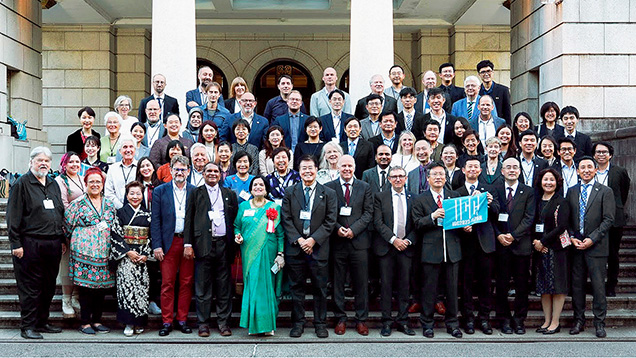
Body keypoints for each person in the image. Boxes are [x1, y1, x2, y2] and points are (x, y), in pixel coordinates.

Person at [8, 147, 65, 339]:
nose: (43, 163)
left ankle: (42, 322)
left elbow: (59, 212)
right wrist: (16, 244)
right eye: (39, 160)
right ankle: (28, 326)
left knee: (48, 286)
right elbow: (13, 216)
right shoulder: (21, 184)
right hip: (30, 243)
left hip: (53, 243)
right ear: (31, 162)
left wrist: (62, 239)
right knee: (30, 287)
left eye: (47, 161)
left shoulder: (53, 183)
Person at [282, 154, 337, 338]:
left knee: (319, 288)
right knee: (296, 288)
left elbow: (330, 220)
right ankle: (298, 323)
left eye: (310, 168)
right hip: (296, 248)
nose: (307, 171)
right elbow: (286, 218)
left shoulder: (328, 193)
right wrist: (299, 240)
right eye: (303, 168)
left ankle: (320, 323)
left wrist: (313, 240)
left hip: (318, 248)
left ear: (316, 170)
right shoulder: (290, 192)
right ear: (299, 171)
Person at [184, 162, 238, 337]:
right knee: (203, 287)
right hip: (203, 244)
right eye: (209, 171)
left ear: (221, 174)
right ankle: (203, 324)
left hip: (224, 245)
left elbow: (234, 219)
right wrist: (188, 244)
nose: (213, 174)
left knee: (224, 287)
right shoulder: (195, 193)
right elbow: (189, 219)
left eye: (216, 171)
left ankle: (223, 323)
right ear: (203, 174)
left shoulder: (229, 193)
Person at [412, 161, 463, 338]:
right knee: (429, 290)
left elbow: (460, 220)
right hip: (430, 251)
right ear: (428, 178)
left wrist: (466, 226)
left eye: (442, 174)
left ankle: (452, 324)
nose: (439, 177)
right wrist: (432, 217)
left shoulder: (454, 196)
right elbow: (417, 223)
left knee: (451, 290)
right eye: (435, 175)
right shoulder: (420, 199)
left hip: (452, 250)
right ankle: (427, 324)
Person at [566, 156, 615, 338]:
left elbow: (608, 219)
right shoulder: (571, 191)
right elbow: (567, 218)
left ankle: (599, 322)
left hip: (597, 247)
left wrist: (592, 239)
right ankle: (578, 320)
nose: (586, 170)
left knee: (598, 287)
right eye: (582, 168)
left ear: (595, 170)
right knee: (577, 286)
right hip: (576, 246)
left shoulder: (605, 191)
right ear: (577, 171)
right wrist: (572, 237)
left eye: (589, 167)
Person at [326, 155, 374, 336]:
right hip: (337, 242)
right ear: (337, 167)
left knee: (361, 283)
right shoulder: (330, 188)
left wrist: (354, 230)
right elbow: (328, 213)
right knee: (337, 283)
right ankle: (340, 318)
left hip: (359, 242)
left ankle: (361, 319)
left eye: (350, 165)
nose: (347, 169)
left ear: (355, 167)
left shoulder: (365, 187)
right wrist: (337, 229)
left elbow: (368, 212)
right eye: (343, 165)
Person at [65, 167, 117, 335]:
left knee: (101, 289)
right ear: (86, 184)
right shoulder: (77, 203)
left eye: (98, 182)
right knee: (86, 289)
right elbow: (66, 226)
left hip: (104, 253)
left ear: (103, 184)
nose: (95, 184)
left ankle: (97, 320)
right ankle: (85, 322)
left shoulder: (109, 204)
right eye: (91, 182)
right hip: (83, 253)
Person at [151, 155, 196, 336]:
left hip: (187, 243)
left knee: (186, 283)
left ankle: (182, 319)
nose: (179, 172)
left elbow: (196, 221)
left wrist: (190, 243)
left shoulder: (194, 191)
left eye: (183, 169)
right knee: (167, 283)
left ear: (188, 171)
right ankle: (167, 321)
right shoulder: (160, 191)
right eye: (176, 169)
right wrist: (157, 245)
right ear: (170, 170)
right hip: (168, 243)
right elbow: (155, 220)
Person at [234, 175, 284, 336]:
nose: (258, 187)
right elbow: (236, 226)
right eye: (255, 184)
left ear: (266, 188)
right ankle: (253, 325)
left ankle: (267, 325)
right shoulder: (243, 207)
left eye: (261, 184)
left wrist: (280, 253)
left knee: (266, 287)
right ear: (250, 189)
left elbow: (281, 233)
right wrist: (238, 235)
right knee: (253, 285)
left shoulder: (274, 207)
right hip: (249, 252)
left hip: (268, 251)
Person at [456, 156, 499, 335]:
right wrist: (461, 226)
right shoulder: (456, 192)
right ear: (463, 170)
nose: (473, 169)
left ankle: (484, 318)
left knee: (485, 284)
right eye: (469, 167)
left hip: (485, 243)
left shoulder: (489, 190)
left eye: (476, 167)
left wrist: (489, 203)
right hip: (465, 245)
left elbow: (498, 211)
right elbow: (452, 218)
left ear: (480, 171)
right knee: (465, 285)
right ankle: (468, 319)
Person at [493, 157, 536, 334]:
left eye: (515, 167)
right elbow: (489, 216)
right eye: (508, 167)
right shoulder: (494, 189)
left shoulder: (529, 191)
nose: (512, 170)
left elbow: (529, 218)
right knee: (501, 284)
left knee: (521, 285)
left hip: (521, 245)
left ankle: (519, 319)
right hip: (500, 245)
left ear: (519, 171)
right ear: (502, 171)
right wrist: (499, 235)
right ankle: (503, 318)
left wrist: (513, 235)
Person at [373, 165, 417, 337]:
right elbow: (378, 222)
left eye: (401, 176)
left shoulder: (414, 197)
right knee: (386, 286)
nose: (398, 179)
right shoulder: (380, 197)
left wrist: (407, 240)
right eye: (394, 176)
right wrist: (393, 240)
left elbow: (417, 223)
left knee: (404, 287)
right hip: (387, 247)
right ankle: (386, 322)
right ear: (389, 179)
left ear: (406, 179)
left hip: (406, 248)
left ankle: (403, 321)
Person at [110, 181, 152, 336]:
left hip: (142, 258)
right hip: (126, 258)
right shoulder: (120, 213)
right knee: (126, 290)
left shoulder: (148, 214)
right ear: (126, 195)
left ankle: (139, 322)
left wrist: (146, 254)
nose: (135, 197)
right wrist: (128, 252)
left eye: (138, 193)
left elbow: (152, 236)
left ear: (142, 195)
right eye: (131, 193)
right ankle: (128, 323)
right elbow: (115, 234)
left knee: (141, 290)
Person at [532, 168, 569, 335]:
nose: (548, 182)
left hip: (556, 250)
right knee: (544, 287)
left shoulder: (561, 201)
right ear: (540, 182)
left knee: (557, 287)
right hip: (540, 250)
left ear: (557, 182)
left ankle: (555, 322)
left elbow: (561, 227)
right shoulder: (536, 200)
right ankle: (546, 321)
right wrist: (535, 242)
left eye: (552, 180)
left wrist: (543, 241)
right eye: (545, 179)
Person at [593, 142, 631, 297]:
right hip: (593, 219)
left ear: (610, 155)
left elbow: (623, 192)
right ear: (594, 155)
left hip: (614, 219)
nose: (601, 154)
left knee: (613, 253)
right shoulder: (590, 171)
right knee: (594, 253)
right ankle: (596, 283)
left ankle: (611, 285)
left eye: (604, 152)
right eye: (598, 152)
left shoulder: (619, 171)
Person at [55, 152, 84, 319]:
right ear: (64, 164)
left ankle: (75, 297)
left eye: (77, 162)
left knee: (79, 264)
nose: (74, 164)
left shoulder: (82, 179)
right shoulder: (60, 181)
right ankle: (66, 299)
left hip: (83, 231)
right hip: (68, 228)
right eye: (71, 162)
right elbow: (64, 205)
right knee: (67, 265)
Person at [104, 136, 138, 209]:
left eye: (131, 147)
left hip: (137, 209)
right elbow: (108, 193)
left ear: (135, 150)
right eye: (125, 147)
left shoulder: (140, 167)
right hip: (117, 209)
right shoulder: (112, 168)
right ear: (120, 151)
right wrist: (122, 208)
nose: (128, 150)